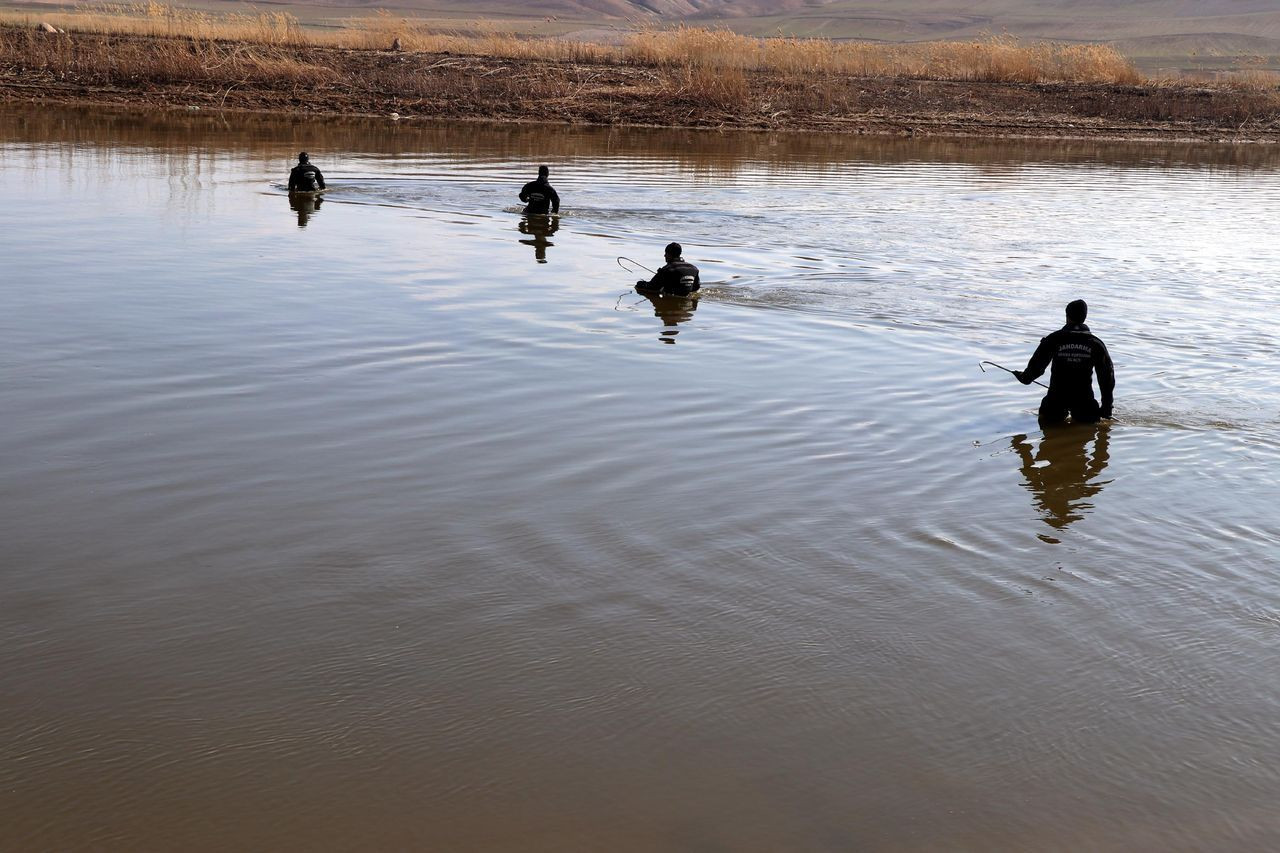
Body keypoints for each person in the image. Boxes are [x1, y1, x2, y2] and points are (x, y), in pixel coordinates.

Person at [1014, 299, 1114, 424]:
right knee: (1087, 428)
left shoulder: (1054, 339)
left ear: (1067, 316)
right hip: (1084, 401)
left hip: (1056, 400)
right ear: (1084, 317)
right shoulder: (1096, 344)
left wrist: (1025, 377)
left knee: (1047, 426)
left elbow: (1037, 366)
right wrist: (1107, 407)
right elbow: (1106, 378)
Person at [635, 243, 700, 297]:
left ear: (669, 255)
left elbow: (652, 287)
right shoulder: (694, 269)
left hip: (673, 299)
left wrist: (640, 284)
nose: (664, 255)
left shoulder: (668, 269)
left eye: (666, 253)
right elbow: (696, 288)